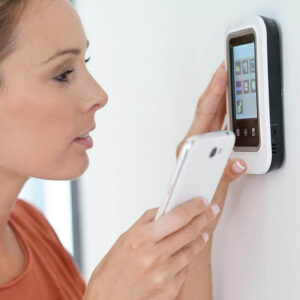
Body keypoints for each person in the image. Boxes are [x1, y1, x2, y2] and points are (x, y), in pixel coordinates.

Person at [0, 0, 247, 299]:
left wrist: (196, 212)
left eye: (84, 64)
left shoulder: (30, 229)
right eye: (63, 73)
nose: (99, 95)